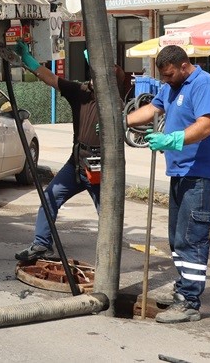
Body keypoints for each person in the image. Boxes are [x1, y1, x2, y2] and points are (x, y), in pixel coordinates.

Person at [125, 44, 210, 324]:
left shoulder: (205, 85)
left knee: (192, 239)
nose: (166, 81)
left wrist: (172, 139)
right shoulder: (172, 86)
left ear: (184, 66)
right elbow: (153, 108)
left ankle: (190, 303)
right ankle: (184, 292)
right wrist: (120, 121)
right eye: (164, 77)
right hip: (181, 174)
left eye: (170, 75)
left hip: (202, 177)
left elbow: (205, 126)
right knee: (177, 239)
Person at [12, 41, 130, 264]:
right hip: (77, 163)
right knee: (49, 198)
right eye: (93, 74)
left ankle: (109, 261)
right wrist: (28, 60)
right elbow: (51, 78)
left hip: (101, 168)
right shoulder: (81, 92)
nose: (93, 80)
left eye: (100, 77)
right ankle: (41, 245)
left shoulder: (115, 104)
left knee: (107, 214)